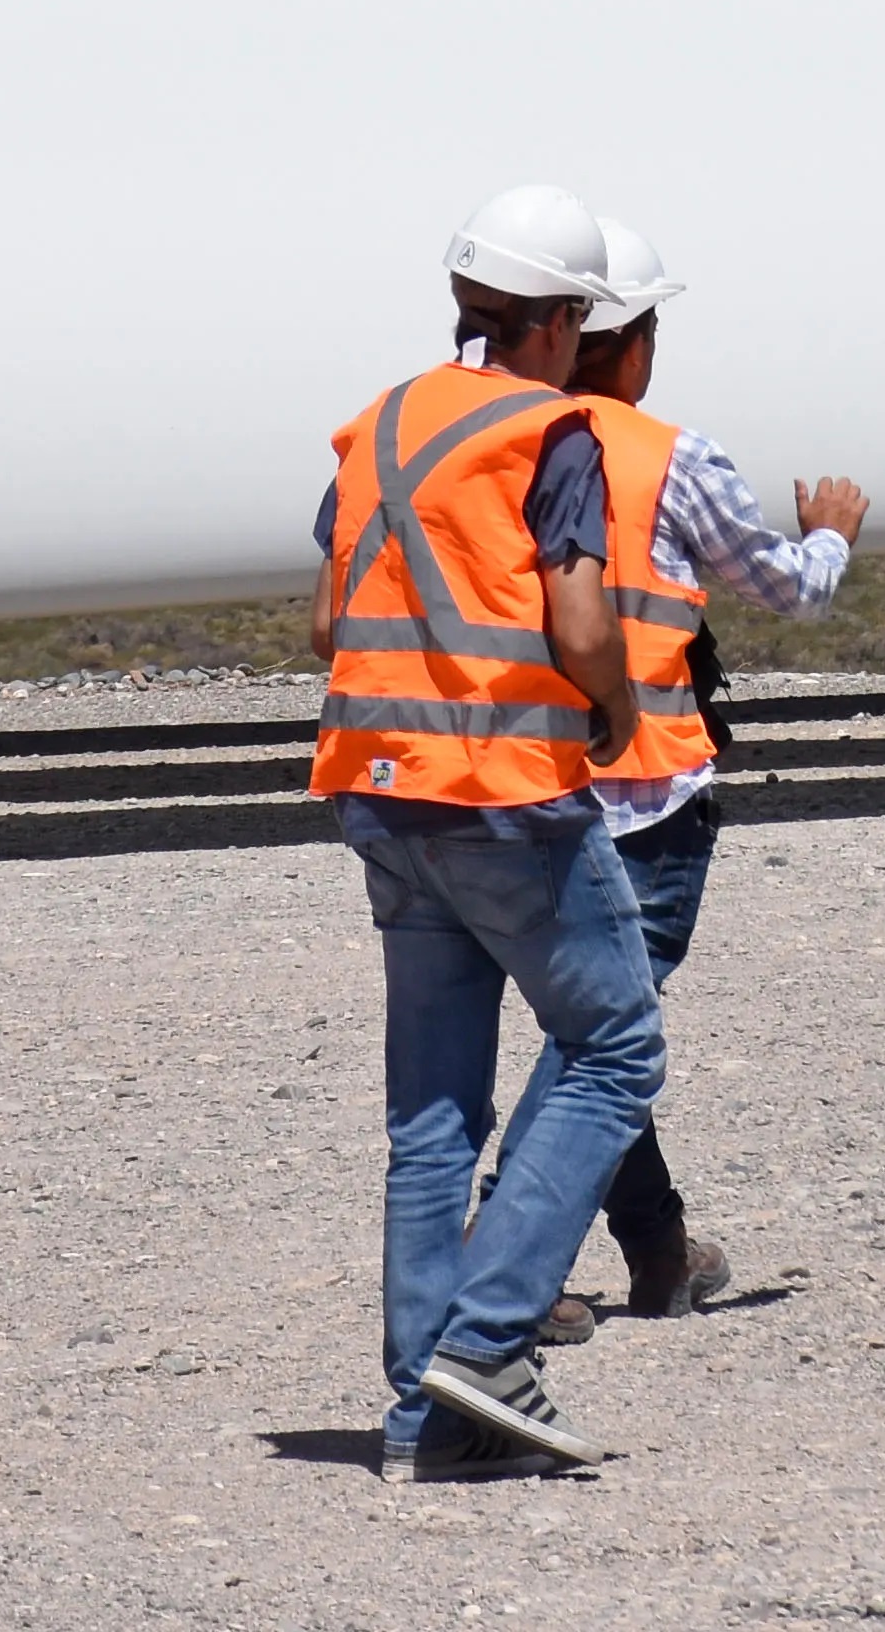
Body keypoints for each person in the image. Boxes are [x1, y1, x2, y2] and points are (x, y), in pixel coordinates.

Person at [310, 184, 664, 1480]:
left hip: (379, 791)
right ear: (562, 320)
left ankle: (427, 1419)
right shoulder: (549, 431)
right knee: (615, 1046)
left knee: (433, 1113)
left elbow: (322, 622)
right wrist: (617, 706)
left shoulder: (378, 427)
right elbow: (578, 624)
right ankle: (492, 1336)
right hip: (504, 794)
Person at [517, 216, 864, 1339]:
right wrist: (830, 537)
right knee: (602, 1040)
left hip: (523, 783)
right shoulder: (671, 457)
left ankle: (658, 1249)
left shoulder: (501, 444)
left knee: (595, 1022)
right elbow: (789, 590)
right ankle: (514, 1254)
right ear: (629, 341)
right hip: (649, 792)